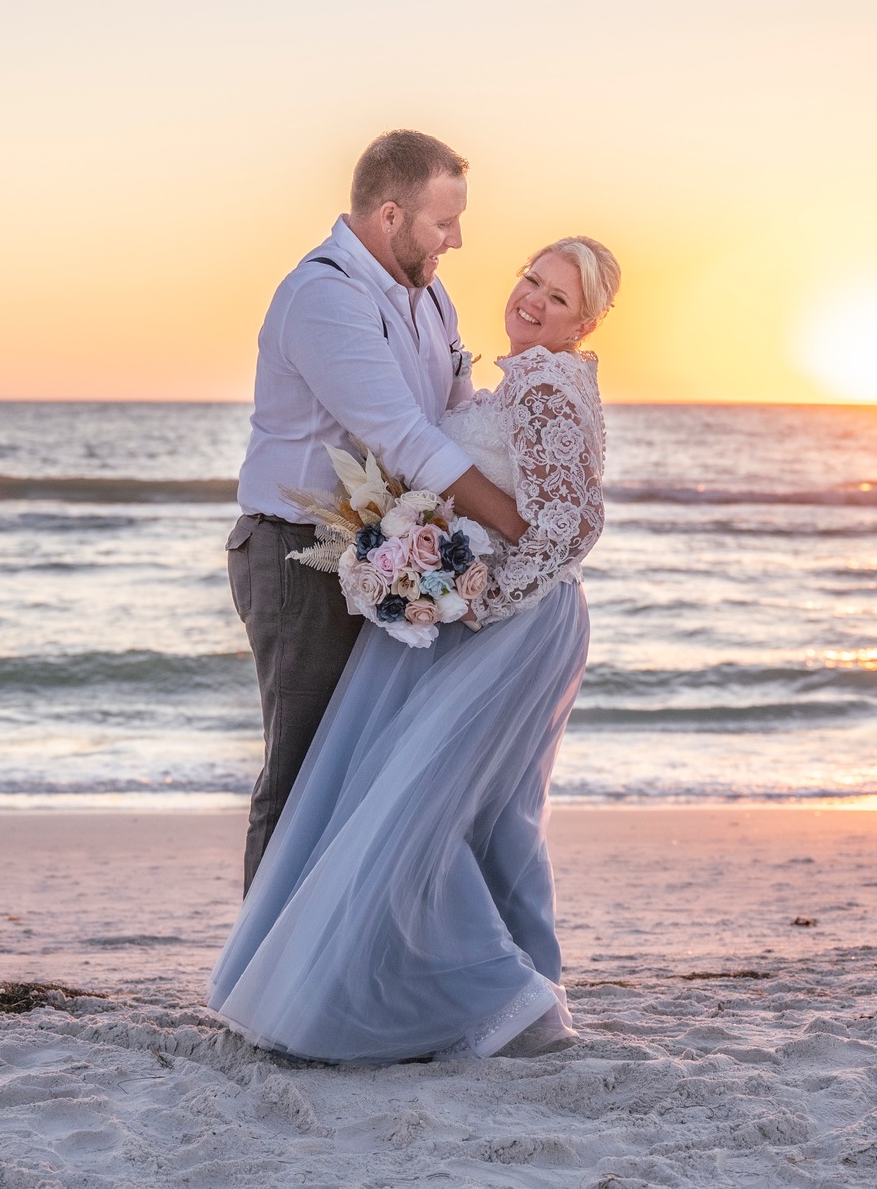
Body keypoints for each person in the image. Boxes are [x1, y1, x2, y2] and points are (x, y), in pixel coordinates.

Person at [210, 236, 620, 1063]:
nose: (533, 300)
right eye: (532, 279)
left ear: (587, 322)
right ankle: (521, 993)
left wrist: (470, 597)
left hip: (505, 625)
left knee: (419, 802)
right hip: (498, 621)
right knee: (491, 816)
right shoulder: (530, 377)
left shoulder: (544, 381)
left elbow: (570, 525)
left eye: (559, 300)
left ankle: (500, 993)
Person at [229, 131, 526, 893]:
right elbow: (407, 441)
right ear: (390, 214)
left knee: (371, 771)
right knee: (302, 773)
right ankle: (261, 983)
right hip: (299, 558)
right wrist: (528, 532)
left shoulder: (430, 294)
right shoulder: (325, 296)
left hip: (393, 555)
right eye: (443, 223)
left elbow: (456, 419)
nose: (456, 240)